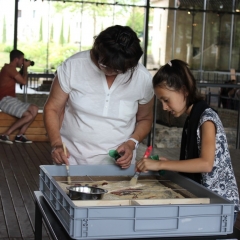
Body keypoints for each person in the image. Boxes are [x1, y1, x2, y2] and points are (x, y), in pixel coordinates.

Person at [136, 59, 240, 220]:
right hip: (205, 200)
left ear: (184, 90)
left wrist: (161, 164)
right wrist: (169, 163)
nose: (164, 107)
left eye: (166, 99)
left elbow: (206, 164)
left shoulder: (206, 118)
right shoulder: (192, 118)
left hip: (220, 206)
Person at [43, 25, 154, 167]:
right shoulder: (73, 66)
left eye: (119, 70)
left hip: (118, 164)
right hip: (72, 160)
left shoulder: (142, 78)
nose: (111, 72)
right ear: (97, 50)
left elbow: (145, 118)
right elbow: (53, 108)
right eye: (105, 65)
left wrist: (132, 143)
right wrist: (56, 144)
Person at [0, 49, 38, 144]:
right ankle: (5, 134)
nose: (22, 62)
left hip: (11, 99)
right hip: (4, 100)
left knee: (34, 108)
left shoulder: (11, 70)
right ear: (16, 59)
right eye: (22, 60)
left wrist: (24, 68)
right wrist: (25, 67)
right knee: (28, 115)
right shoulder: (9, 68)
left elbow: (22, 80)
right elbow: (24, 82)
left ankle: (20, 135)